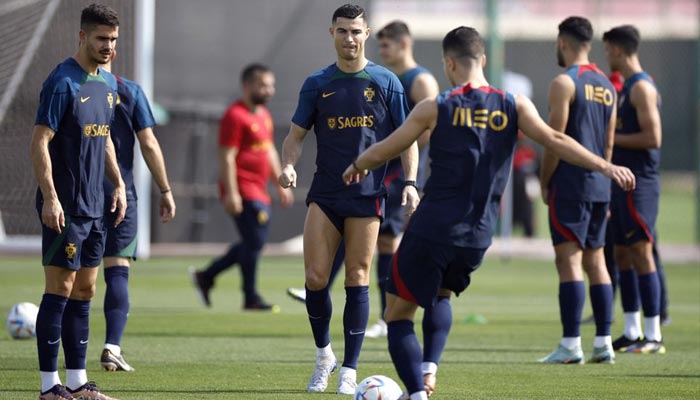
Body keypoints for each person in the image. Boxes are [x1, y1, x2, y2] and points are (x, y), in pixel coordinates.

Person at [342, 26, 634, 400]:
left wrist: (356, 165)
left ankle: (416, 393)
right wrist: (606, 167)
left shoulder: (436, 106)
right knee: (442, 295)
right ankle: (429, 369)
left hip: (432, 227)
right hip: (477, 236)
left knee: (398, 316)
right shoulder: (515, 105)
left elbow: (387, 147)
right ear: (482, 60)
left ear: (449, 63)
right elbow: (556, 140)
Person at [277, 4, 419, 394]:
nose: (349, 38)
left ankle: (350, 370)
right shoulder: (317, 83)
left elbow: (408, 138)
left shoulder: (387, 82)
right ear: (332, 34)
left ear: (367, 33)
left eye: (356, 31)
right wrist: (288, 165)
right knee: (315, 278)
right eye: (342, 31)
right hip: (325, 194)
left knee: (357, 277)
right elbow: (295, 136)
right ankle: (324, 355)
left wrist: (410, 182)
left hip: (369, 195)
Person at [30, 4, 125, 400]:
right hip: (65, 207)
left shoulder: (107, 84)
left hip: (95, 207)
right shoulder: (61, 82)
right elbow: (39, 142)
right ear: (82, 36)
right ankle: (49, 386)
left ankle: (77, 382)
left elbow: (102, 139)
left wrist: (117, 184)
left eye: (114, 41)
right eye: (102, 39)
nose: (108, 47)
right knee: (60, 288)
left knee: (86, 291)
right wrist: (51, 198)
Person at [537, 16, 617, 364]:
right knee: (596, 261)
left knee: (568, 261)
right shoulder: (607, 85)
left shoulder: (564, 83)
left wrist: (544, 180)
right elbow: (609, 146)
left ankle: (570, 345)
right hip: (601, 185)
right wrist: (606, 179)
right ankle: (604, 342)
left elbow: (554, 140)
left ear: (562, 42)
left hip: (570, 183)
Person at [190, 64, 293, 311]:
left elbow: (268, 150)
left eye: (271, 85)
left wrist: (280, 182)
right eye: (263, 85)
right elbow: (226, 157)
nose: (269, 90)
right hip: (243, 189)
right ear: (247, 86)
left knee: (253, 242)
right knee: (254, 240)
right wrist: (232, 192)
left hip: (259, 189)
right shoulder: (234, 116)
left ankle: (207, 276)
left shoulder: (263, 115)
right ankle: (249, 296)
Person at [99, 51, 176, 372]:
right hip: (120, 195)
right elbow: (149, 143)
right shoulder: (128, 91)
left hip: (78, 194)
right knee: (117, 268)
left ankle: (66, 357)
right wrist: (166, 190)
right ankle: (111, 346)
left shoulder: (68, 85)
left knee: (74, 277)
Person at [603, 25, 665, 353]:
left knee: (641, 251)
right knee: (622, 253)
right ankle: (632, 329)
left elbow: (653, 138)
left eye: (608, 49)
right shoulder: (626, 87)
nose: (606, 55)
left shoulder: (641, 87)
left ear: (617, 49)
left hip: (641, 182)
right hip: (623, 182)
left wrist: (609, 143)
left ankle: (654, 334)